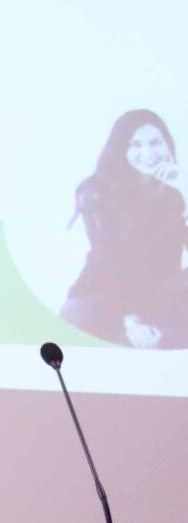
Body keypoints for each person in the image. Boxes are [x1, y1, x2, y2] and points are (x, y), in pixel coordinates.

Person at [61, 109, 188, 348]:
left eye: (155, 143)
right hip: (106, 296)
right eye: (135, 145)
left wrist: (187, 190)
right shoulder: (97, 191)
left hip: (157, 296)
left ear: (168, 145)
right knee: (77, 314)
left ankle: (158, 336)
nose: (148, 153)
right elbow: (109, 263)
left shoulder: (174, 193)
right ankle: (140, 336)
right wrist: (130, 321)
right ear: (120, 149)